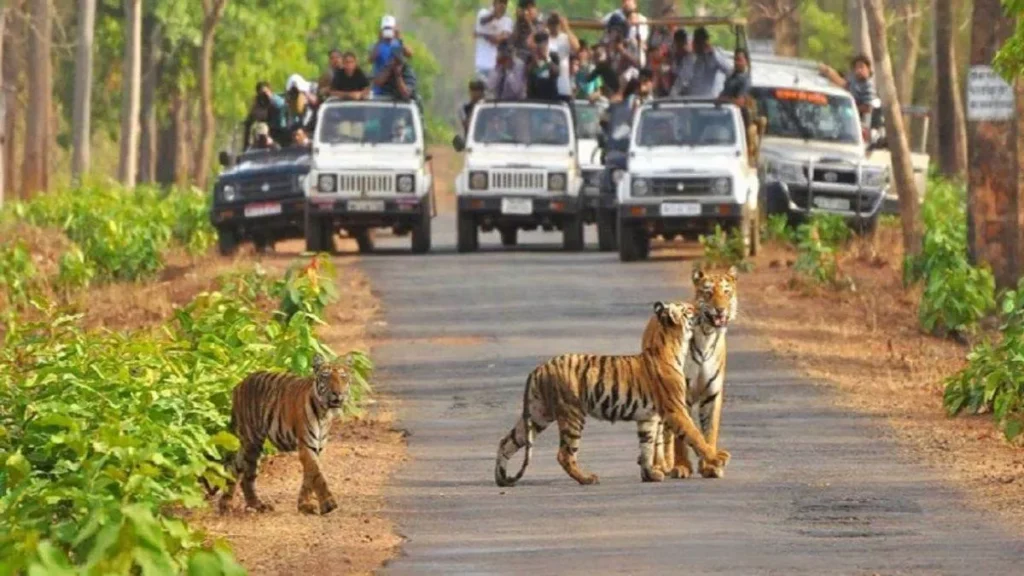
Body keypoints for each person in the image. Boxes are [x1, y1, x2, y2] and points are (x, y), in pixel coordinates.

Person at [718, 49, 758, 160]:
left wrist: (725, 100)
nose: (737, 62)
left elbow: (740, 102)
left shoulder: (745, 80)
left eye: (740, 60)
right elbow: (723, 92)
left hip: (738, 119)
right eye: (735, 59)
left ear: (746, 61)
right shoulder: (732, 76)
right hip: (723, 116)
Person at [818, 54, 877, 125]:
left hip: (857, 121)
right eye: (856, 68)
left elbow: (868, 108)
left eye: (862, 67)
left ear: (868, 68)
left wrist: (850, 108)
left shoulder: (868, 85)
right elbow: (845, 84)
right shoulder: (854, 80)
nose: (859, 70)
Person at [370, 15, 413, 97]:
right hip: (379, 88)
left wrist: (400, 39)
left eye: (390, 29)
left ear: (394, 29)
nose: (388, 31)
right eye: (385, 29)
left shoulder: (398, 44)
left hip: (397, 85)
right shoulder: (376, 45)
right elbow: (371, 59)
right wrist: (379, 41)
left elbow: (410, 54)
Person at [687, 26, 733, 97]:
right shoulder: (692, 58)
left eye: (700, 42)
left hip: (711, 102)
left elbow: (729, 71)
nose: (694, 45)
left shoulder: (715, 56)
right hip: (693, 101)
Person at [474, 0, 514, 81]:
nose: (503, 5)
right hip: (482, 64)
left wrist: (481, 35)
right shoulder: (483, 13)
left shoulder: (508, 20)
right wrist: (494, 15)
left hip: (497, 66)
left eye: (505, 3)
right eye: (500, 2)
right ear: (494, 3)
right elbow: (482, 21)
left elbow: (498, 40)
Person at [601, 0, 649, 66]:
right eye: (624, 1)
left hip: (631, 51)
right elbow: (603, 22)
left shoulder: (642, 19)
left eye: (629, 1)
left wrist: (623, 48)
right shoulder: (616, 16)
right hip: (616, 52)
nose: (627, 3)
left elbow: (641, 42)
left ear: (635, 4)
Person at [544, 11, 579, 100]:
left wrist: (566, 27)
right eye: (551, 23)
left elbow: (576, 47)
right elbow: (530, 44)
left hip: (562, 84)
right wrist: (543, 27)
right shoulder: (544, 37)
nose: (554, 26)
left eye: (556, 23)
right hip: (545, 82)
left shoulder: (565, 37)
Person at [243, 81, 288, 150]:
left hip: (282, 133)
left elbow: (282, 106)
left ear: (271, 92)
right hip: (268, 134)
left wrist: (270, 101)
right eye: (261, 95)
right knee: (259, 129)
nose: (264, 97)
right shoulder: (259, 105)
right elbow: (248, 123)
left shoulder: (278, 102)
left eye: (265, 93)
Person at [526, 31, 561, 102]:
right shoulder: (531, 56)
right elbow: (527, 73)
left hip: (550, 95)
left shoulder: (554, 56)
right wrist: (534, 61)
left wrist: (547, 59)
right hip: (534, 95)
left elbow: (556, 72)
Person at [667, 28, 695, 97]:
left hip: (691, 92)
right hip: (677, 93)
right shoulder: (674, 57)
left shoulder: (692, 58)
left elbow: (685, 78)